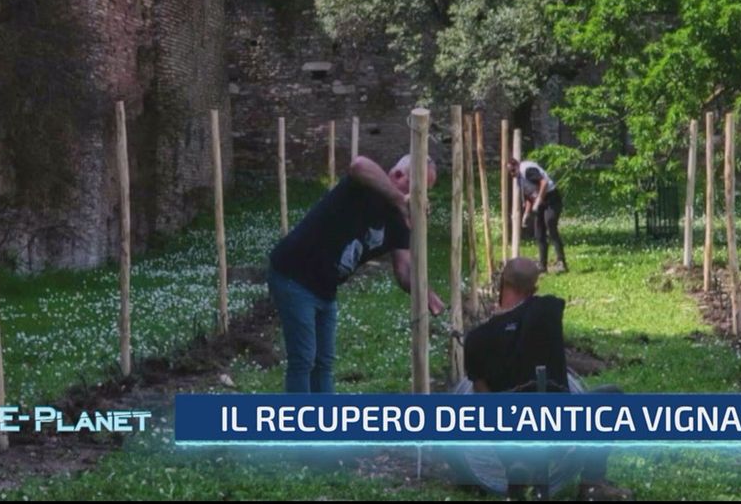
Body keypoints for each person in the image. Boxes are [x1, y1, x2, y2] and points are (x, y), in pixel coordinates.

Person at [267, 154, 445, 393]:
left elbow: (403, 270)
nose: (422, 200)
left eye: (426, 193)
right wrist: (401, 201)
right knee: (304, 359)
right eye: (420, 190)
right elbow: (358, 164)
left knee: (324, 362)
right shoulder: (367, 185)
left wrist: (426, 293)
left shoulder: (400, 222)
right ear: (398, 176)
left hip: (324, 288)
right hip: (293, 274)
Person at [464, 258, 630, 501]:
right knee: (611, 396)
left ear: (502, 283)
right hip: (559, 432)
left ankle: (516, 470)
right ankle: (592, 484)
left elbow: (483, 399)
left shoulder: (476, 340)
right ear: (534, 289)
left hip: (509, 439)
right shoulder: (548, 312)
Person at [508, 158, 567, 273]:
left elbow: (544, 182)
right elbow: (529, 196)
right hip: (540, 202)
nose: (512, 174)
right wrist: (526, 214)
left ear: (517, 166)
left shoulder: (527, 170)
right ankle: (542, 264)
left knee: (550, 224)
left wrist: (539, 199)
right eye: (510, 172)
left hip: (551, 198)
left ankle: (561, 262)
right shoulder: (519, 179)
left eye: (513, 171)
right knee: (539, 233)